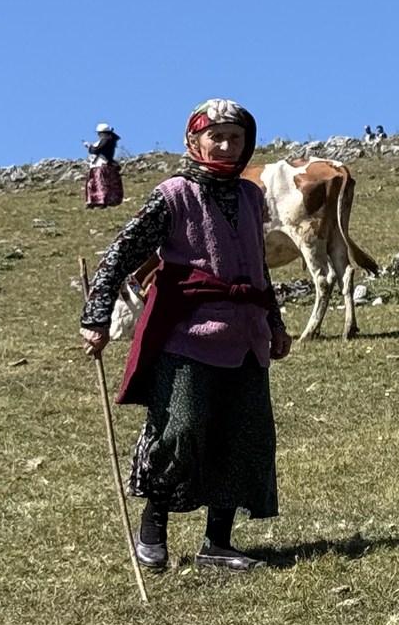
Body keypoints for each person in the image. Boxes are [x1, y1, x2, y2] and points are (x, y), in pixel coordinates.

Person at [79, 99, 290, 573]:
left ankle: (218, 544)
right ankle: (152, 530)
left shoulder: (252, 197)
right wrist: (95, 316)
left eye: (236, 138)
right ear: (193, 141)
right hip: (188, 335)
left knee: (244, 435)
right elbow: (120, 253)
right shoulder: (172, 194)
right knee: (181, 430)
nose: (226, 145)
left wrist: (274, 322)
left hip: (247, 334)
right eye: (215, 136)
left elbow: (258, 268)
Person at [83, 123, 123, 208]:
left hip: (100, 165)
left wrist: (90, 147)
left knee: (100, 184)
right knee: (94, 184)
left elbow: (96, 150)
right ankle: (94, 201)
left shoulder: (106, 140)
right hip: (98, 165)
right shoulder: (109, 140)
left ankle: (101, 201)